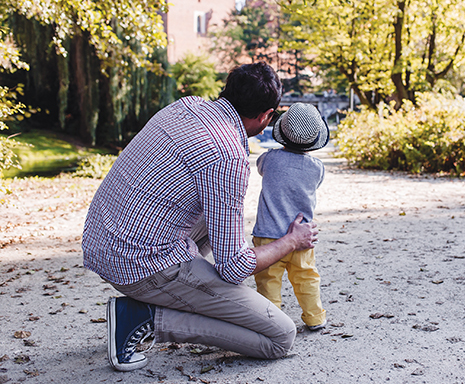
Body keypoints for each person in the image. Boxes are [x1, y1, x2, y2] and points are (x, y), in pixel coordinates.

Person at [81, 62, 318, 372]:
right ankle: (144, 318)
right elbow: (235, 267)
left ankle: (189, 291)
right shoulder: (228, 155)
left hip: (103, 240)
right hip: (139, 264)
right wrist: (290, 241)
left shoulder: (186, 105)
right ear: (265, 116)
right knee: (279, 336)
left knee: (218, 214)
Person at [252, 102, 329, 331]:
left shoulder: (269, 160)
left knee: (268, 282)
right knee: (307, 278)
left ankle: (272, 322)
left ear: (282, 133)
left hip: (268, 237)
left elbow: (259, 167)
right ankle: (315, 317)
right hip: (302, 237)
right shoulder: (317, 168)